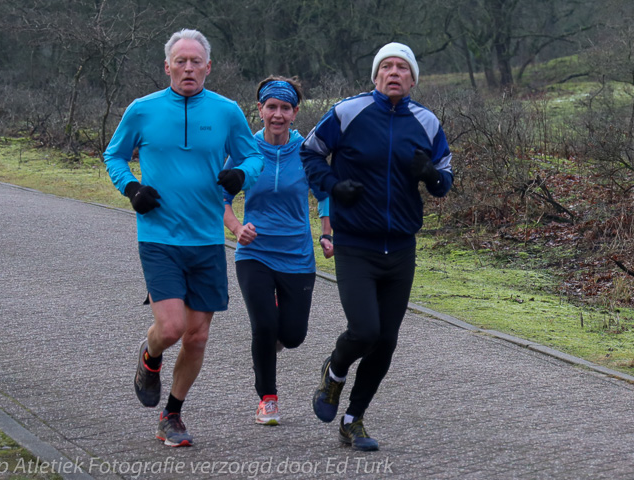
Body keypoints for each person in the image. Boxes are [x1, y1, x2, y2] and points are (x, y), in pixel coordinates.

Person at [103, 28, 264, 448]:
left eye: (196, 62)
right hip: (159, 236)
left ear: (208, 67)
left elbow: (253, 155)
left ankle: (171, 415)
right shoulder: (143, 109)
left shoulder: (227, 111)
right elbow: (114, 155)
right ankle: (150, 354)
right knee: (172, 329)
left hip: (207, 239)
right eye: (181, 61)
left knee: (197, 336)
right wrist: (132, 188)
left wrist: (241, 174)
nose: (188, 68)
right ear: (167, 66)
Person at [301, 42, 453, 451]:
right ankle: (333, 371)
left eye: (402, 68)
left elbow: (445, 176)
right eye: (386, 66)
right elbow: (310, 152)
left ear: (413, 79)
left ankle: (354, 419)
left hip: (401, 247)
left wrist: (431, 176)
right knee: (365, 330)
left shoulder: (426, 121)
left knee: (386, 341)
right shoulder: (347, 112)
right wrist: (333, 186)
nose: (394, 73)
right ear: (375, 75)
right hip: (356, 243)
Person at [223, 76, 332, 426]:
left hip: (297, 256)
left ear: (295, 112)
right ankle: (267, 400)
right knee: (265, 325)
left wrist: (327, 233)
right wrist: (238, 228)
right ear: (259, 110)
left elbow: (325, 194)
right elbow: (221, 198)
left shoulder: (306, 151)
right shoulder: (244, 151)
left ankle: (272, 335)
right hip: (254, 253)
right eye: (271, 106)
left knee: (294, 336)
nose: (278, 114)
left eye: (285, 108)